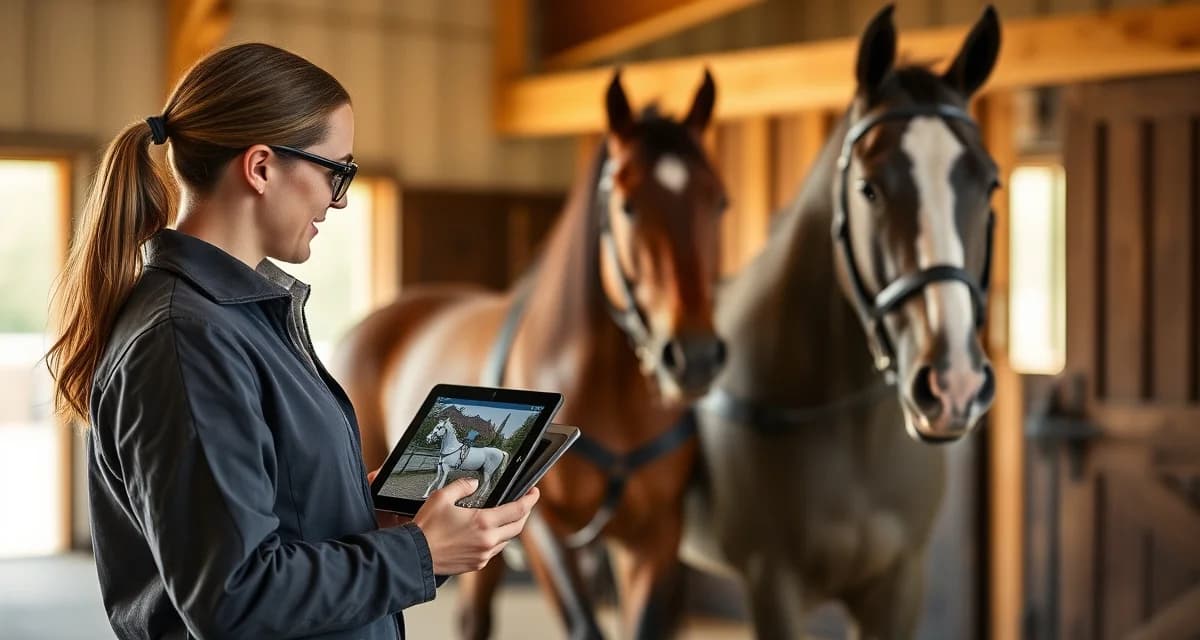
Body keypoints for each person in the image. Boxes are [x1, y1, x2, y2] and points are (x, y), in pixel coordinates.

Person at [45, 42, 539, 639]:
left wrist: (365, 506)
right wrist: (421, 553)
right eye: (338, 171)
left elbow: (271, 514)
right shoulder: (187, 339)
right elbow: (234, 598)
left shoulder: (240, 317)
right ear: (260, 167)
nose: (340, 199)